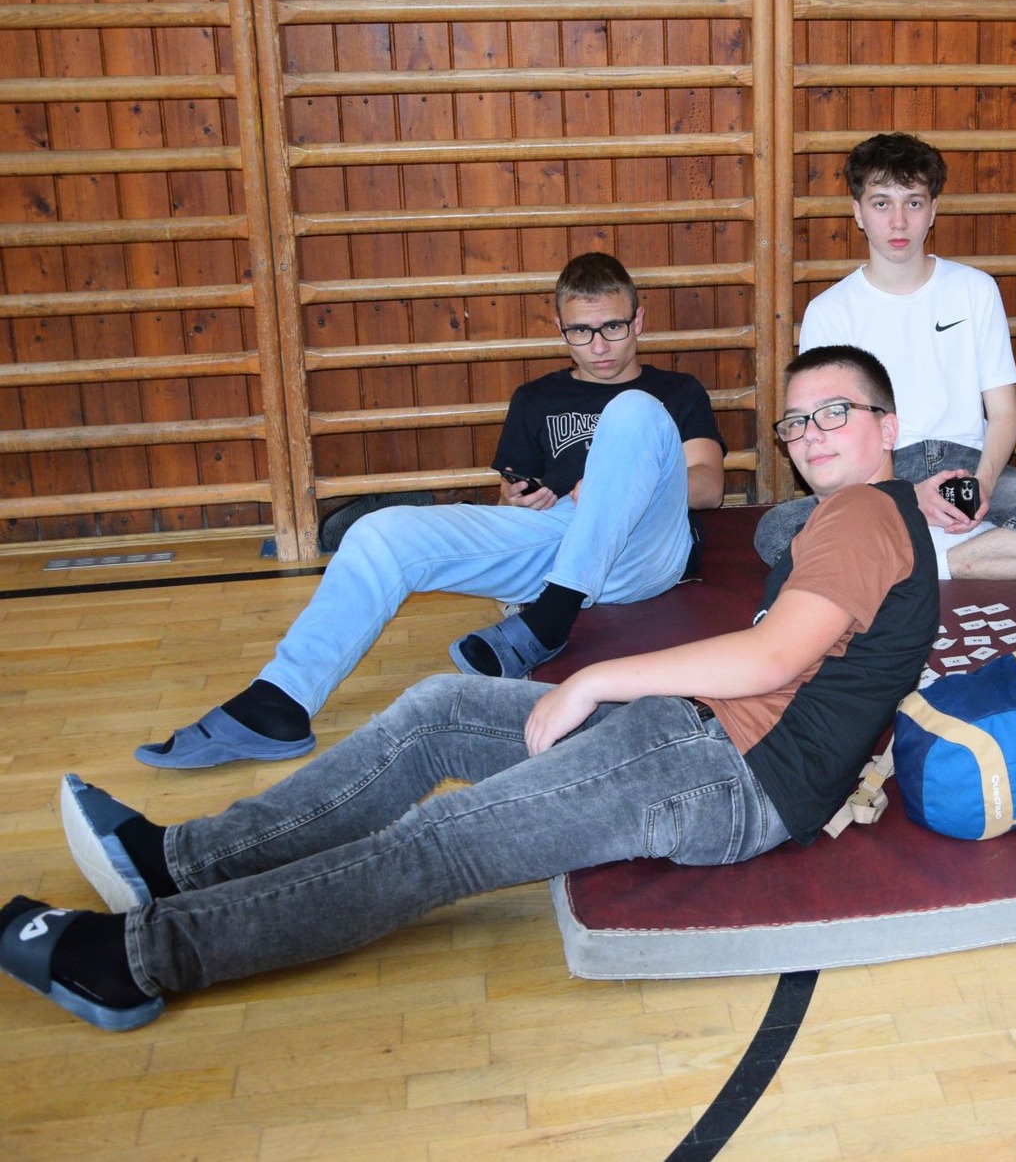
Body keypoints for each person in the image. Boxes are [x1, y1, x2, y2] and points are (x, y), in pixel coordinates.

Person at [4, 346, 938, 1031]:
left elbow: (771, 659)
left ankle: (138, 958)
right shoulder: (861, 516)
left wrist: (591, 680)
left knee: (443, 839)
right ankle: (186, 859)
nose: (810, 434)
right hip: (695, 736)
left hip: (724, 771)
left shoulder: (861, 515)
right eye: (795, 421)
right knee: (437, 711)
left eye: (835, 413)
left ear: (888, 427)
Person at [135, 252, 727, 770]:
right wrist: (515, 499)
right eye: (581, 331)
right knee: (380, 533)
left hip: (643, 548)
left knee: (631, 410)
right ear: (559, 329)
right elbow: (510, 499)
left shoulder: (674, 392)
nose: (598, 346)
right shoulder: (536, 398)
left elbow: (707, 487)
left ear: (638, 321)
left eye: (613, 327)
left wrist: (609, 488)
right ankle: (278, 702)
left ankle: (550, 618)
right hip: (554, 539)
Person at [753, 132, 1016, 579]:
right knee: (776, 531)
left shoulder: (974, 289)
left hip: (971, 464)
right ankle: (939, 540)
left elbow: (1004, 415)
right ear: (858, 213)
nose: (899, 222)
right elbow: (831, 431)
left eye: (913, 203)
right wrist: (905, 496)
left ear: (933, 210)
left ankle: (932, 561)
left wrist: (983, 484)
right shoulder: (829, 311)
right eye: (881, 204)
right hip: (880, 474)